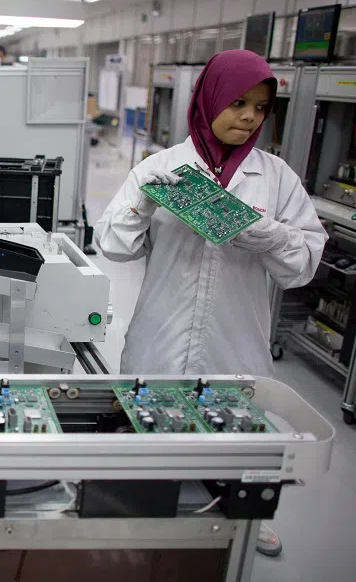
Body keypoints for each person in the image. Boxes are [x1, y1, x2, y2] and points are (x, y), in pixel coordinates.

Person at [95, 50, 327, 558]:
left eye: (262, 108)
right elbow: (113, 246)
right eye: (238, 102)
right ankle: (150, 507)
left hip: (235, 338)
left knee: (238, 432)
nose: (249, 117)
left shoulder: (277, 178)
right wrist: (143, 203)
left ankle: (243, 514)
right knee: (154, 429)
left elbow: (304, 264)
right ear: (209, 99)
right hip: (161, 332)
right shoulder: (161, 168)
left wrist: (264, 232)